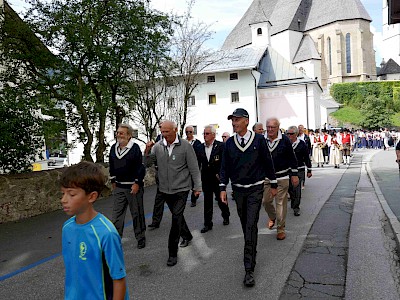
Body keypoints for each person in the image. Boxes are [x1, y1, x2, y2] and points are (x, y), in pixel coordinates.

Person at [220, 108, 277, 287]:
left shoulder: (259, 140)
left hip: (255, 189)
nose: (234, 123)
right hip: (238, 190)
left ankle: (249, 269)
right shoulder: (229, 143)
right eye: (232, 120)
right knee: (246, 225)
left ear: (246, 121)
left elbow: (268, 161)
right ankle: (250, 246)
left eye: (237, 120)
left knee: (251, 224)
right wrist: (222, 187)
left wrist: (274, 183)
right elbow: (224, 167)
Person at [60, 161, 129, 300]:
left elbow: (119, 279)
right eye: (62, 193)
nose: (63, 200)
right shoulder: (67, 228)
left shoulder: (106, 233)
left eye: (71, 194)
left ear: (91, 196)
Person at [144, 120, 202, 267]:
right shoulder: (158, 147)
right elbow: (147, 163)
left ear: (175, 130)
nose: (164, 135)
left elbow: (194, 168)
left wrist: (198, 187)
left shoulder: (185, 146)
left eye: (167, 132)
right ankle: (187, 235)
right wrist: (146, 150)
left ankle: (172, 253)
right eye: (162, 132)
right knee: (178, 215)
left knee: (176, 218)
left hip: (182, 189)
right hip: (165, 189)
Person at [109, 123, 146, 249]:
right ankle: (115, 239)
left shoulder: (135, 148)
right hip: (119, 187)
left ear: (129, 135)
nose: (118, 135)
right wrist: (113, 180)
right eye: (118, 132)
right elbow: (111, 166)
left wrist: (137, 183)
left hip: (133, 188)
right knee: (116, 216)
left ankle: (140, 237)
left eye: (121, 133)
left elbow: (140, 168)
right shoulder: (113, 148)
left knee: (137, 214)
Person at [263, 117, 299, 240]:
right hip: (267, 177)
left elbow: (292, 158)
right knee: (266, 201)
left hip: (282, 176)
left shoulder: (284, 140)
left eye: (273, 127)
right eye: (268, 127)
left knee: (281, 203)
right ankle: (272, 216)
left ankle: (280, 229)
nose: (270, 129)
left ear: (278, 127)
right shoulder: (262, 139)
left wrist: (294, 174)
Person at [197, 125, 230, 233]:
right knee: (207, 201)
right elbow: (198, 164)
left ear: (213, 135)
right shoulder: (200, 147)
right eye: (204, 133)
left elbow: (225, 162)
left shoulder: (221, 146)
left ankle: (226, 215)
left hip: (218, 178)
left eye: (207, 133)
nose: (205, 136)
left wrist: (222, 175)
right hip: (206, 179)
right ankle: (207, 224)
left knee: (221, 200)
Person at [286, 126, 312, 216]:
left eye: (291, 134)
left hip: (299, 169)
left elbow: (306, 157)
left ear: (296, 134)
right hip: (287, 170)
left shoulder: (301, 144)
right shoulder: (285, 144)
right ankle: (293, 201)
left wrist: (309, 169)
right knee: (290, 188)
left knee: (297, 189)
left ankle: (296, 207)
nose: (289, 135)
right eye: (287, 133)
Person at [185, 125, 202, 207]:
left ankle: (193, 199)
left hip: (195, 167)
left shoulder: (198, 143)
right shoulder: (182, 142)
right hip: (184, 168)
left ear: (193, 132)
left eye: (190, 132)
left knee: (195, 185)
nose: (188, 133)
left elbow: (201, 155)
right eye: (187, 132)